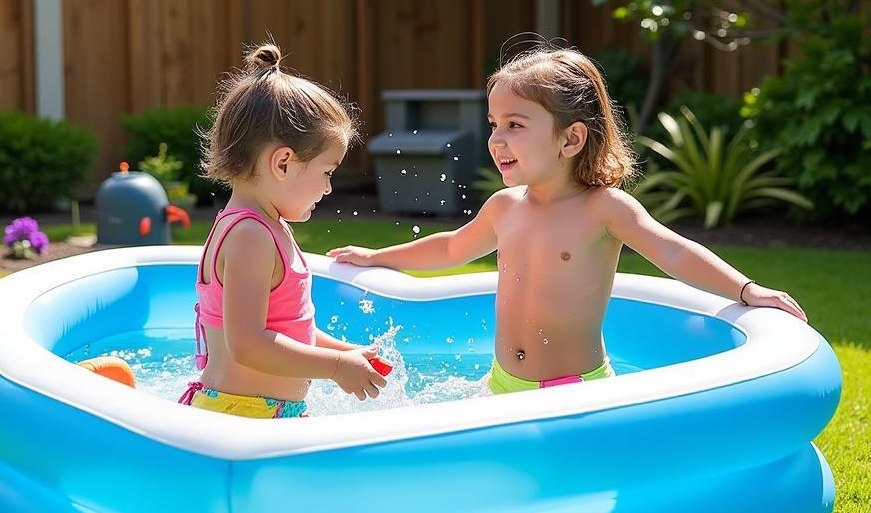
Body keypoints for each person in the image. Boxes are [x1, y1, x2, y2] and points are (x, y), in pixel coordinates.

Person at [330, 40, 807, 396]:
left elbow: (673, 250)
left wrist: (746, 290)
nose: (497, 139)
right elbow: (452, 247)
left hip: (574, 389)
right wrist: (377, 256)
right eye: (494, 124)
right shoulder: (505, 206)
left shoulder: (604, 209)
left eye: (515, 125)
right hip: (501, 383)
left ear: (571, 139)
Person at [179, 42, 386, 418]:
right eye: (326, 172)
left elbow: (289, 328)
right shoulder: (251, 236)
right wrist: (336, 369)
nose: (327, 188)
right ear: (284, 162)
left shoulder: (265, 226)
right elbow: (248, 344)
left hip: (261, 411)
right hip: (242, 415)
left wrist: (342, 352)